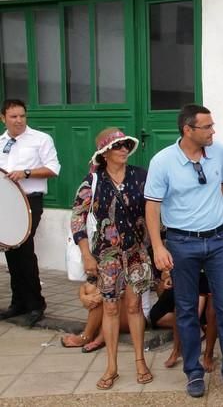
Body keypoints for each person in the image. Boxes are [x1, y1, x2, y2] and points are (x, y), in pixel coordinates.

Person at [144, 104, 223, 401]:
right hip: (181, 243)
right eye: (208, 127)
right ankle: (194, 372)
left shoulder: (220, 152)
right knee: (186, 310)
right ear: (188, 130)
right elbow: (152, 206)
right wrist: (158, 247)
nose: (214, 131)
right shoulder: (163, 161)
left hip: (218, 241)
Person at [71, 127, 153, 390]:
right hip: (106, 255)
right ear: (105, 153)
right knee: (110, 308)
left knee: (134, 307)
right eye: (118, 146)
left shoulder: (141, 176)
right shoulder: (92, 181)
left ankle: (140, 360)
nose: (124, 150)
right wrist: (85, 254)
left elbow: (156, 211)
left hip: (138, 252)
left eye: (126, 145)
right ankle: (112, 366)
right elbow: (77, 219)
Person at [0, 99, 60, 327]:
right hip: (6, 203)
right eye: (13, 116)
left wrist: (25, 173)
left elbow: (53, 169)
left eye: (22, 116)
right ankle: (18, 303)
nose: (19, 120)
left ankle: (36, 304)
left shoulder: (40, 139)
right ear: (3, 118)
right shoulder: (2, 141)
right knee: (11, 252)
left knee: (24, 250)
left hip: (29, 201)